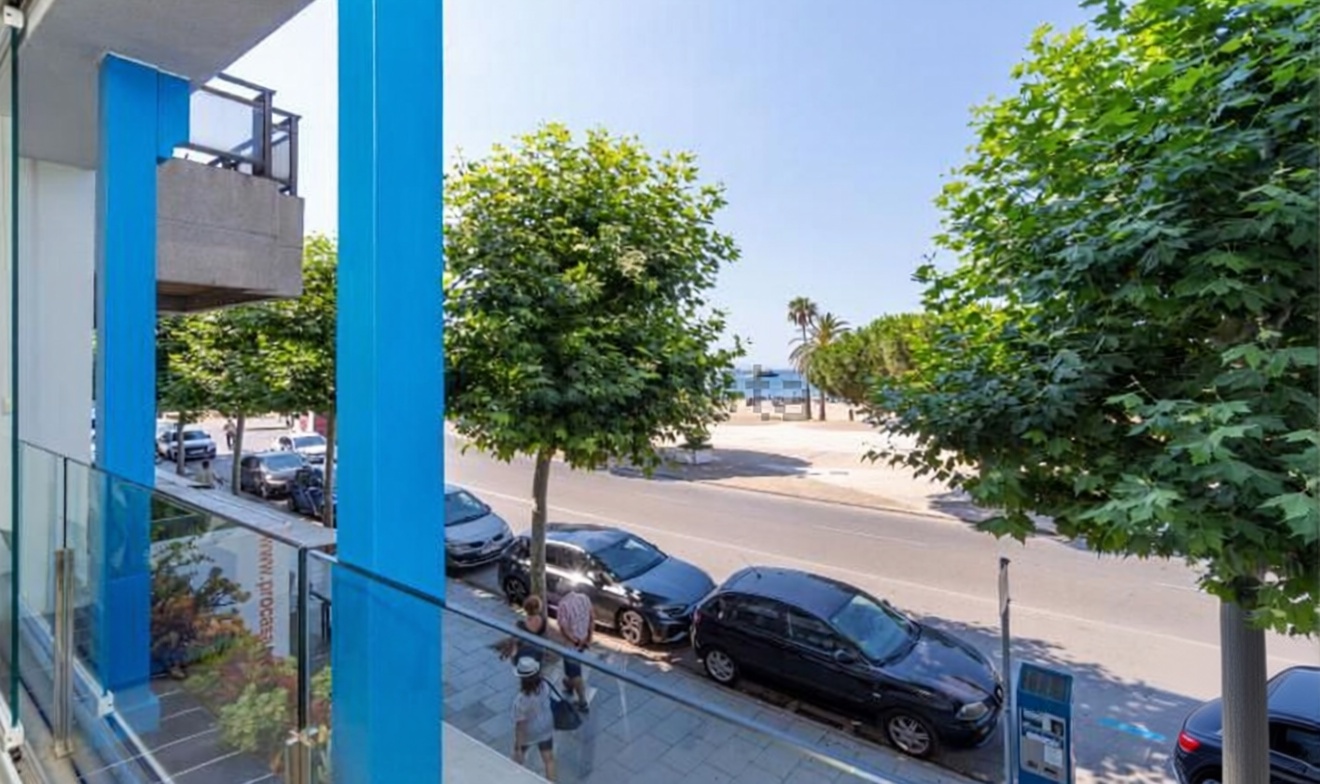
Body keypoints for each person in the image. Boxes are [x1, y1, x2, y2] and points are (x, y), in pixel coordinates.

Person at [510, 656, 556, 781]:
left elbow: (520, 727)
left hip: (529, 732)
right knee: (549, 760)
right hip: (546, 724)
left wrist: (518, 747)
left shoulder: (520, 701)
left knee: (517, 759)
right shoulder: (544, 684)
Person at [556, 585, 594, 711]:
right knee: (571, 668)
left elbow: (564, 628)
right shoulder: (584, 598)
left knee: (575, 672)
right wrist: (589, 637)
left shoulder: (563, 604)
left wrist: (575, 641)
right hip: (584, 640)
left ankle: (582, 702)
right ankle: (568, 685)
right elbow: (592, 618)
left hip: (571, 645)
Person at [497, 595, 550, 665]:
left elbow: (515, 640)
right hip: (538, 651)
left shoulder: (520, 625)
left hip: (525, 652)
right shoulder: (544, 621)